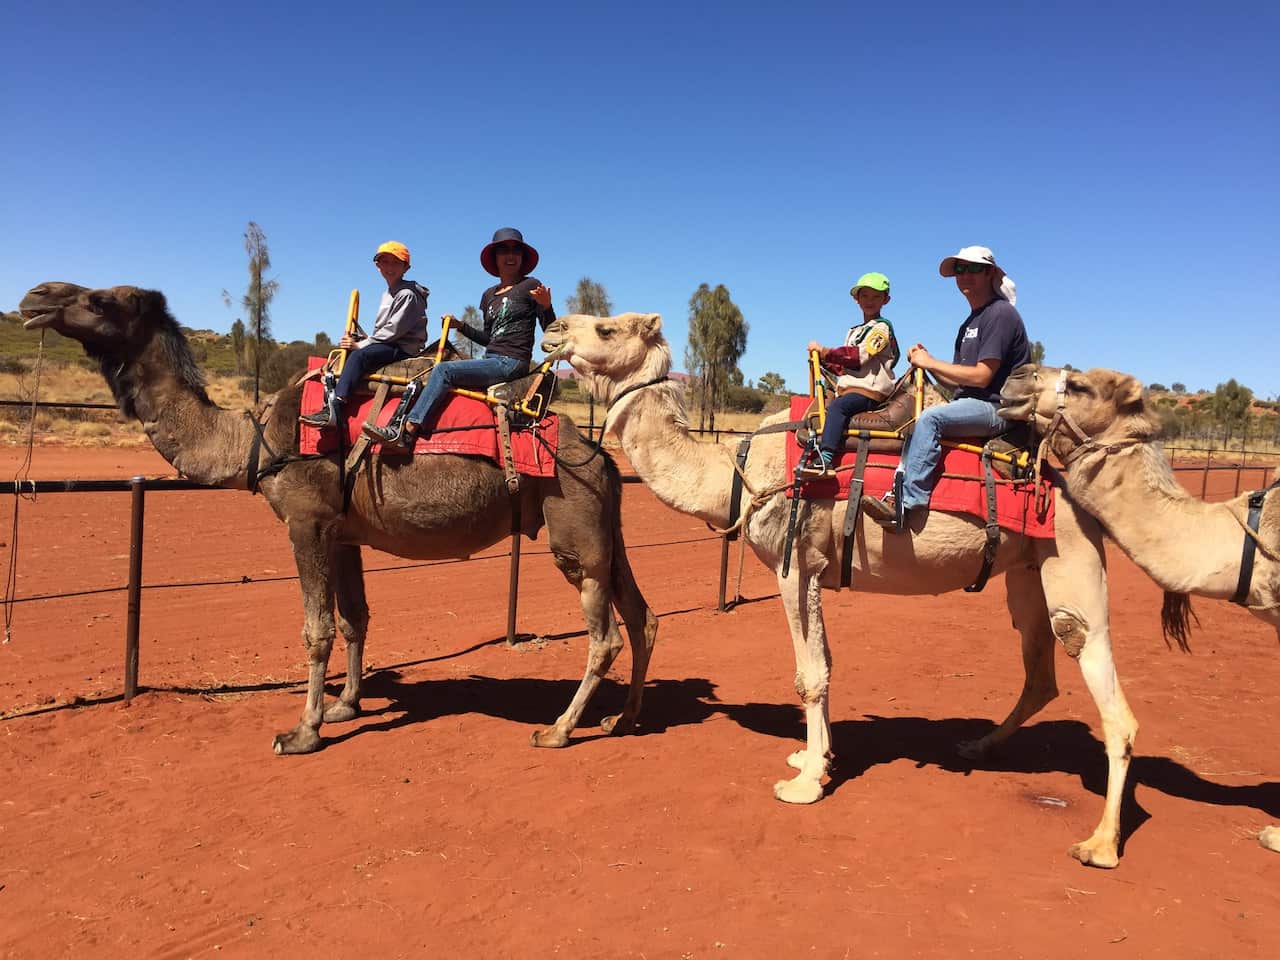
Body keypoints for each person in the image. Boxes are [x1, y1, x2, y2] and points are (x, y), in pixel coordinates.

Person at [863, 245, 1029, 529]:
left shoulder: (1000, 314)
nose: (965, 276)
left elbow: (981, 377)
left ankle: (906, 501)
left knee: (932, 418)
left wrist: (931, 361)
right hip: (971, 403)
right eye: (960, 270)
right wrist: (926, 366)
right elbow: (957, 382)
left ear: (989, 272)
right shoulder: (969, 323)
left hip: (997, 408)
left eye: (973, 268)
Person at [364, 227, 554, 449]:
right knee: (435, 367)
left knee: (444, 371)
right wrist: (460, 326)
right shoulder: (488, 296)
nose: (510, 256)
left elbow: (551, 332)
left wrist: (546, 306)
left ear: (522, 258)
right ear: (495, 257)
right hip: (491, 359)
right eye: (503, 250)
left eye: (516, 251)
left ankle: (406, 430)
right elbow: (488, 339)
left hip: (512, 362)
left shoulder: (531, 285)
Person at [300, 241, 429, 430]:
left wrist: (361, 345)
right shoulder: (389, 292)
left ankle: (336, 406)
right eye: (385, 262)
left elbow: (393, 330)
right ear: (378, 266)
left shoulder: (407, 294)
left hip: (402, 347)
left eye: (395, 263)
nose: (389, 268)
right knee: (347, 355)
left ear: (405, 267)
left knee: (360, 355)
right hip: (391, 342)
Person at [800, 271, 900, 477]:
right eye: (865, 296)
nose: (869, 301)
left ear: (886, 300)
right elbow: (847, 366)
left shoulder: (881, 328)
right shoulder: (854, 330)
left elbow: (858, 357)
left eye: (876, 296)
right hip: (851, 386)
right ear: (857, 299)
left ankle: (826, 458)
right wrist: (824, 362)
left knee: (838, 407)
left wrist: (824, 351)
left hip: (869, 390)